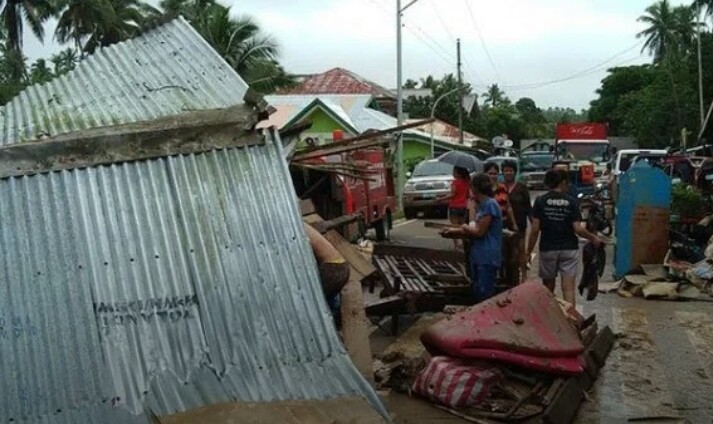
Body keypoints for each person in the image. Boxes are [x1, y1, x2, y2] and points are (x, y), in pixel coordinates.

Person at [527, 169, 601, 306]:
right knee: (568, 289)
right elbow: (578, 229)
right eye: (567, 182)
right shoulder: (572, 202)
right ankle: (571, 322)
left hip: (548, 248)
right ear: (562, 182)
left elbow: (535, 230)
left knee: (548, 289)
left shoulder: (540, 201)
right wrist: (593, 238)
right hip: (569, 249)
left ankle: (550, 318)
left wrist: (528, 252)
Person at [441, 173, 503, 302]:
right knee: (476, 291)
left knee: (484, 295)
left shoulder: (490, 205)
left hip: (487, 256)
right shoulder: (481, 205)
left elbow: (479, 231)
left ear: (475, 188)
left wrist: (463, 226)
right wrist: (454, 230)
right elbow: (474, 225)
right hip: (478, 255)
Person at [304, 223, 350, 325]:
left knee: (315, 299)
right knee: (328, 299)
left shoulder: (295, 226)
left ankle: (328, 325)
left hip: (332, 269)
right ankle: (335, 319)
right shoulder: (303, 224)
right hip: (341, 265)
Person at [502, 160, 531, 284]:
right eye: (506, 170)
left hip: (520, 224)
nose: (508, 173)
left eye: (511, 170)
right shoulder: (500, 187)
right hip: (503, 225)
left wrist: (534, 223)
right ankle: (508, 276)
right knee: (507, 253)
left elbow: (528, 207)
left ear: (515, 172)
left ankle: (523, 275)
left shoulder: (522, 188)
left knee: (520, 251)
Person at [444, 166, 471, 249]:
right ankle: (464, 243)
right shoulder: (467, 182)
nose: (452, 173)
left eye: (454, 171)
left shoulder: (455, 183)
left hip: (454, 206)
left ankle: (456, 245)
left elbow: (452, 194)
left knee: (454, 226)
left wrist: (441, 198)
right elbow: (467, 195)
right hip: (464, 206)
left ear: (457, 173)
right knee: (463, 226)